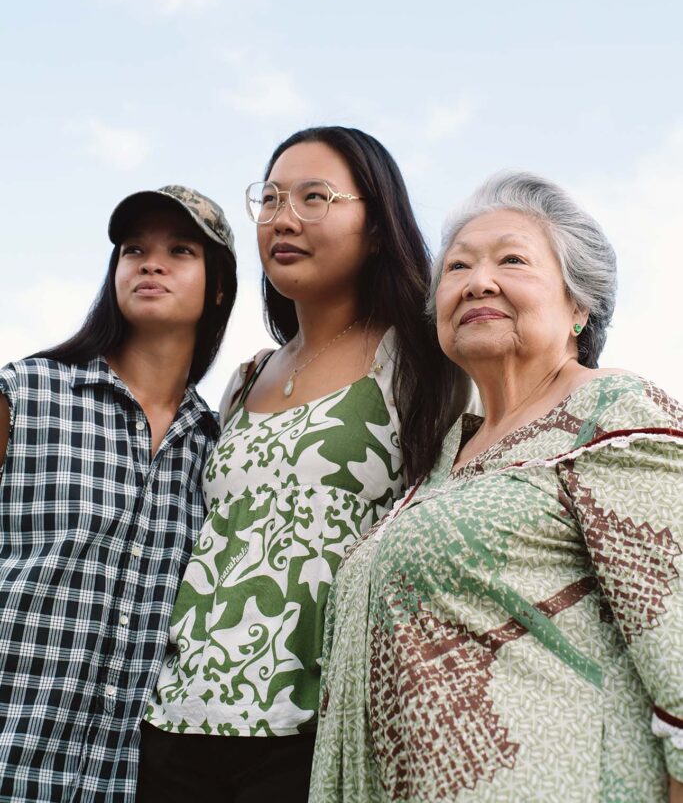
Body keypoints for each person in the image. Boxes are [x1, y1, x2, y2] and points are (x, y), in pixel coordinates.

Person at [311, 170, 683, 803]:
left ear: (579, 306)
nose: (478, 281)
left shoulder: (615, 411)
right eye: (457, 267)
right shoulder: (443, 458)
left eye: (512, 259)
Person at [138, 127, 469, 803]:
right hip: (177, 718)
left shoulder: (422, 364)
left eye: (314, 197)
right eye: (270, 198)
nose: (283, 218)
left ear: (376, 227)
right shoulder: (245, 379)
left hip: (316, 731)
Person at [0, 185, 237, 803]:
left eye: (180, 250)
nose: (150, 263)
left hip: (129, 780)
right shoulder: (26, 394)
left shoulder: (222, 451)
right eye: (133, 250)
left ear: (217, 288)